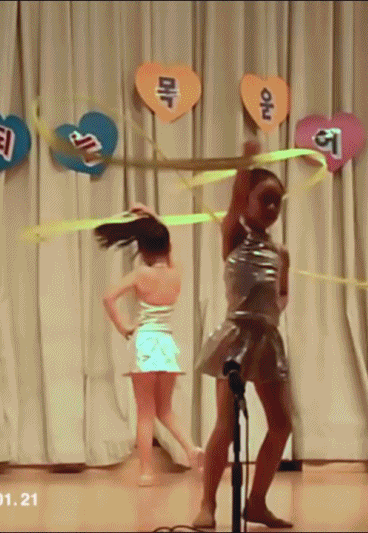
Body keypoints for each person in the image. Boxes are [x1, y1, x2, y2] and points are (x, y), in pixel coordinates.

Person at [193, 141, 293, 529]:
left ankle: (257, 503)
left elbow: (282, 292)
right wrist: (246, 162)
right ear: (247, 201)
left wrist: (275, 309)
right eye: (264, 200)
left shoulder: (281, 253)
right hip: (236, 338)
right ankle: (208, 504)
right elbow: (235, 199)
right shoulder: (234, 234)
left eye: (276, 203)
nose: (271, 208)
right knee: (226, 426)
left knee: (282, 424)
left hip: (267, 339)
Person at [98, 204, 204, 487]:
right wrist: (153, 215)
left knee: (145, 413)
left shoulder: (140, 274)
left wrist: (123, 327)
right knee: (165, 410)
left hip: (145, 342)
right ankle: (191, 449)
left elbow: (108, 297)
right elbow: (170, 243)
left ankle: (146, 471)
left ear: (142, 249)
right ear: (166, 246)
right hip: (167, 344)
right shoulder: (176, 272)